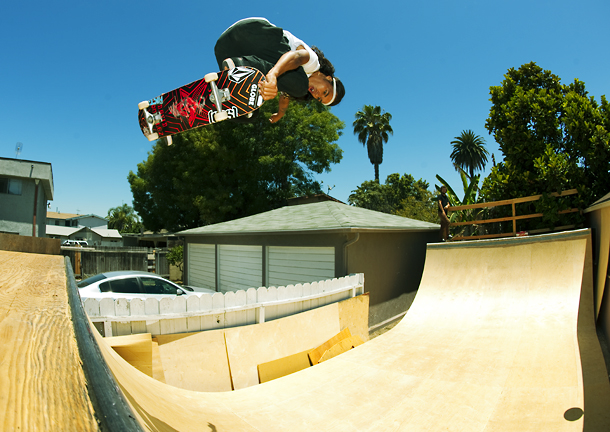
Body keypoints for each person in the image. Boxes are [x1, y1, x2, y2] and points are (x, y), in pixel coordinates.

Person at [214, 18, 345, 123]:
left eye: (319, 99)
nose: (317, 95)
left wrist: (280, 114)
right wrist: (273, 74)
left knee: (249, 113)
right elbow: (296, 57)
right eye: (325, 92)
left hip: (225, 46)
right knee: (300, 87)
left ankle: (216, 98)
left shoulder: (294, 81)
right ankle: (241, 67)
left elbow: (285, 97)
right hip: (254, 33)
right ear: (328, 78)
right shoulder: (313, 63)